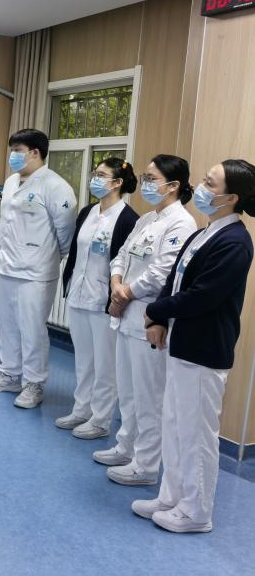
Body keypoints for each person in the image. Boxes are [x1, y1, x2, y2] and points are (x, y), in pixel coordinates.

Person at [132, 159, 255, 533]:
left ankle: (196, 511)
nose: (201, 187)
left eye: (210, 183)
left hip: (204, 350)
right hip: (181, 343)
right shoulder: (204, 233)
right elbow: (174, 279)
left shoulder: (235, 242)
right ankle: (171, 496)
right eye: (204, 179)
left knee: (197, 434)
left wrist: (154, 310)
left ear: (231, 198)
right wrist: (157, 319)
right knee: (174, 425)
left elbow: (203, 295)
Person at [95, 155, 197, 485]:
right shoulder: (147, 219)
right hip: (125, 314)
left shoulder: (181, 223)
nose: (145, 184)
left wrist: (124, 293)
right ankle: (126, 447)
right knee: (128, 391)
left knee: (149, 397)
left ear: (173, 185)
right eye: (145, 178)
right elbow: (121, 255)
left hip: (148, 319)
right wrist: (116, 284)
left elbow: (161, 273)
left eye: (152, 179)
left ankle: (146, 465)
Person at [0, 129, 77, 408]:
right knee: (7, 325)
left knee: (32, 330)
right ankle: (9, 374)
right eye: (12, 150)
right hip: (6, 265)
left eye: (18, 150)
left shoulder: (56, 186)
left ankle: (34, 384)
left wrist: (45, 255)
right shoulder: (11, 182)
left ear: (35, 153)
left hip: (36, 271)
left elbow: (66, 232)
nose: (12, 155)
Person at [55, 159, 138, 439]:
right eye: (95, 174)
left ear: (118, 183)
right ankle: (81, 410)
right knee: (83, 360)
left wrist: (118, 298)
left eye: (101, 175)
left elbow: (125, 264)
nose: (95, 179)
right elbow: (76, 253)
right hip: (78, 295)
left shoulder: (128, 219)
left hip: (104, 301)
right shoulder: (88, 212)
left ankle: (100, 420)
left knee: (105, 365)